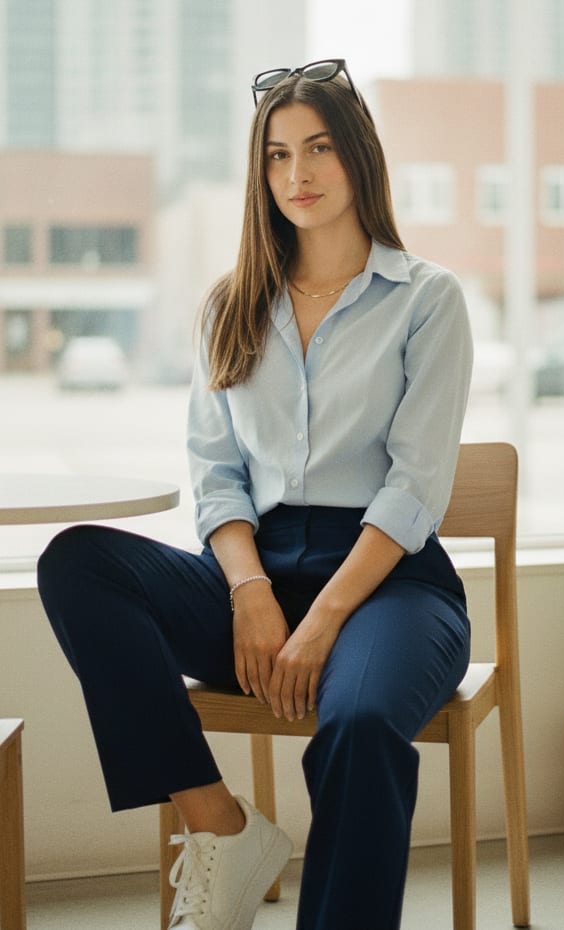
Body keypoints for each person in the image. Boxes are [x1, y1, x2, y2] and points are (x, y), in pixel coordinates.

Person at [37, 58, 473, 930]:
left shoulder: (427, 300)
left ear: (358, 158)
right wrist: (250, 593)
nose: (297, 175)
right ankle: (223, 828)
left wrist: (318, 623)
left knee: (358, 719)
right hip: (257, 572)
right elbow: (218, 475)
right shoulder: (231, 306)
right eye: (276, 156)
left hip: (390, 582)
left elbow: (414, 486)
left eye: (318, 149)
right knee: (79, 564)